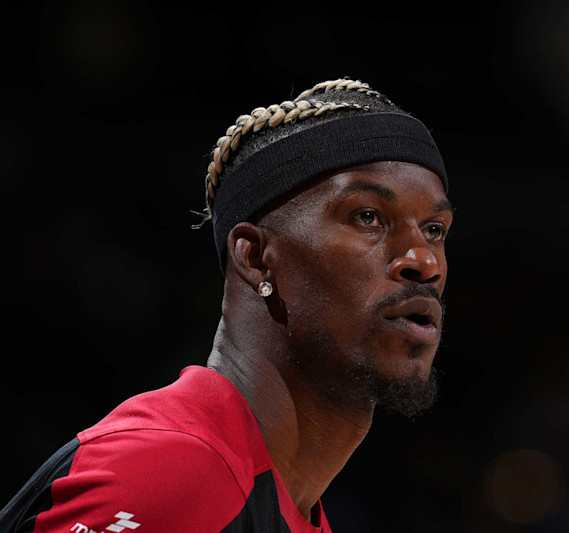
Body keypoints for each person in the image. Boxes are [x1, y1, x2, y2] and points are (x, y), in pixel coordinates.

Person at [0, 78, 453, 532]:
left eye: (434, 229)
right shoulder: (173, 475)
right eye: (368, 217)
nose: (425, 262)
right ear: (256, 259)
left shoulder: (267, 501)